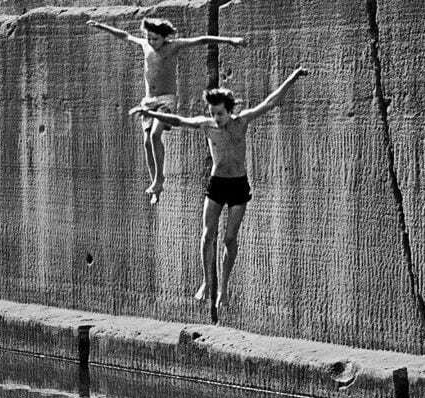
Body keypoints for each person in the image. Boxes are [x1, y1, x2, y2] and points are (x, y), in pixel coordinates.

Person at [130, 67, 309, 308]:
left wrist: (292, 77)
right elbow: (179, 120)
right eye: (213, 113)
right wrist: (151, 113)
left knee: (230, 238)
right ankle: (207, 282)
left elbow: (270, 102)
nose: (217, 119)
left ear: (230, 110)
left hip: (238, 185)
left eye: (220, 114)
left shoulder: (241, 121)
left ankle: (223, 288)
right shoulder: (207, 125)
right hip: (217, 184)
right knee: (207, 235)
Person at [87, 18, 246, 203]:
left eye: (155, 39)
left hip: (166, 100)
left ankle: (159, 178)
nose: (151, 42)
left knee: (155, 134)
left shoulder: (173, 46)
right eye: (148, 38)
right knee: (147, 142)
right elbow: (124, 36)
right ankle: (156, 185)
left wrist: (230, 40)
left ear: (164, 37)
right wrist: (101, 26)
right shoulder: (145, 45)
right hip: (148, 101)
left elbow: (201, 40)